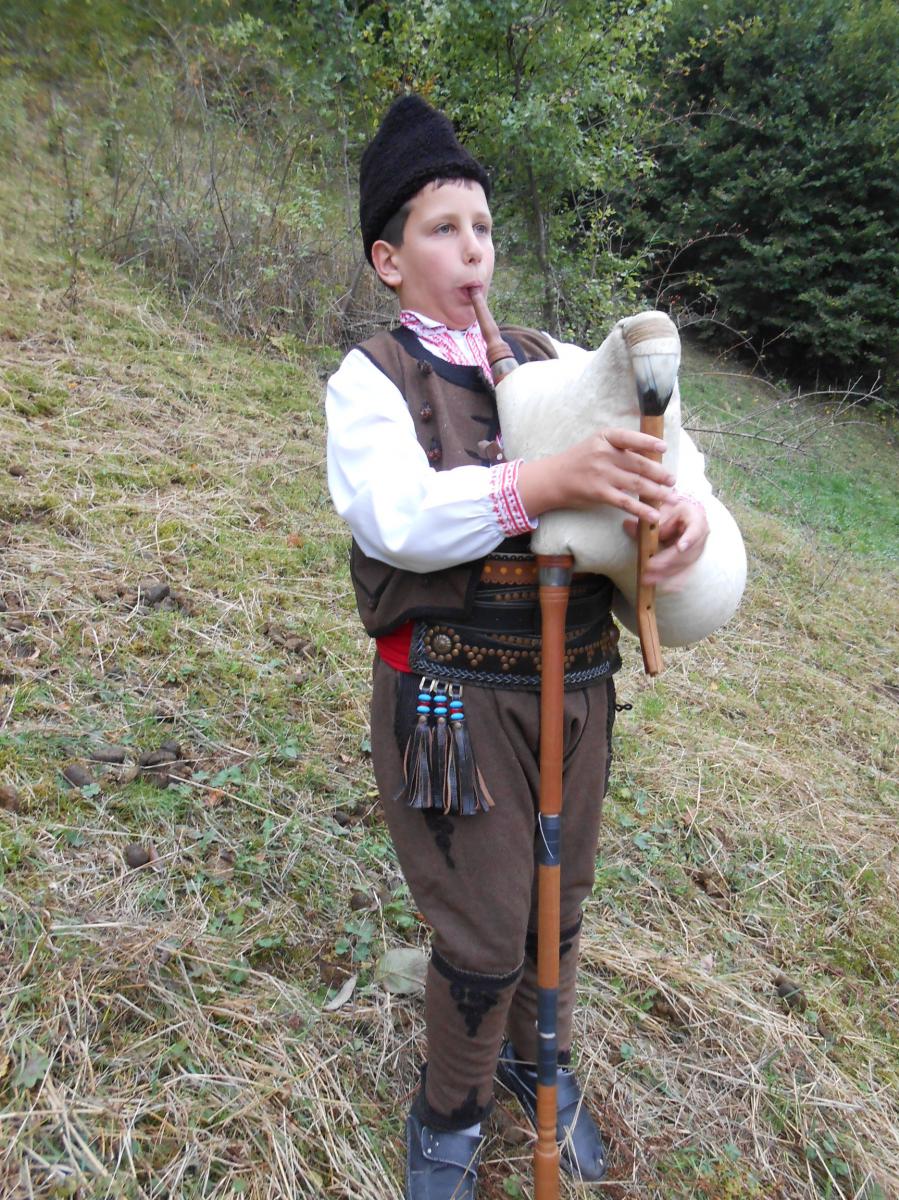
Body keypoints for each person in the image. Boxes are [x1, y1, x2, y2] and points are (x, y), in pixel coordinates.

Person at [326, 95, 712, 1200]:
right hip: (451, 702)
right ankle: (449, 1114)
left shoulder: (553, 364)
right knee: (488, 929)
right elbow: (395, 518)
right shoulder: (374, 379)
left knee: (559, 904)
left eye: (485, 228)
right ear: (390, 260)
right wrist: (539, 483)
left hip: (576, 687)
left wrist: (683, 515)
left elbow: (667, 448)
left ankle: (537, 1064)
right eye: (444, 228)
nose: (474, 250)